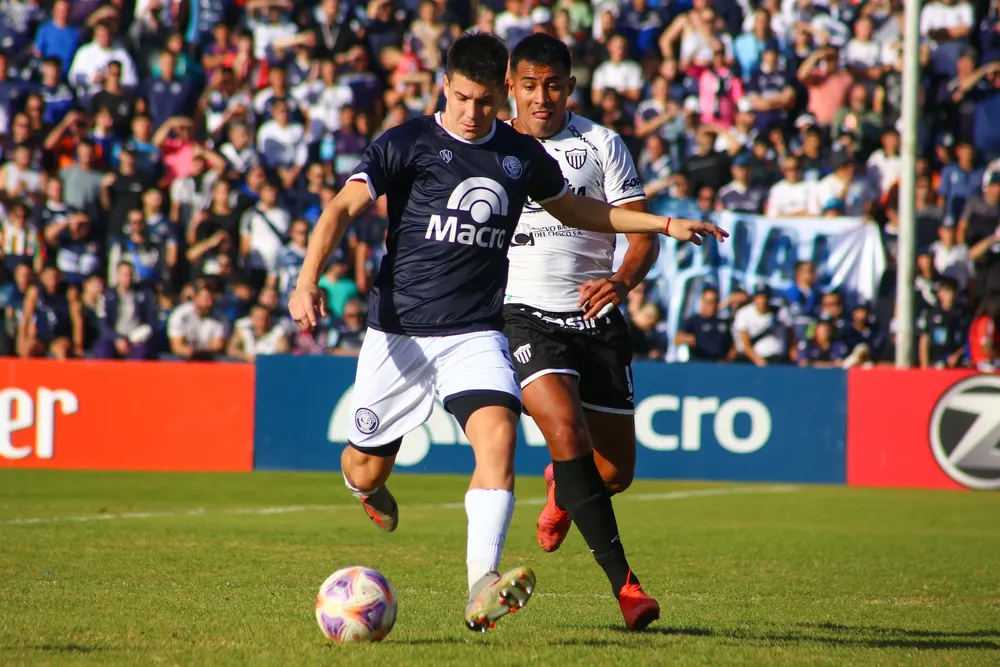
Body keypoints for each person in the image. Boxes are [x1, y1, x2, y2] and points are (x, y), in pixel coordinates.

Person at [288, 31, 725, 635]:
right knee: (365, 467)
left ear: (502, 98)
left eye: (486, 102)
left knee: (499, 436)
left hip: (476, 333)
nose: (473, 113)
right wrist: (307, 279)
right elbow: (339, 209)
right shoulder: (407, 142)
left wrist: (665, 223)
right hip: (401, 336)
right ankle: (367, 487)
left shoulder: (519, 155)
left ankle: (480, 584)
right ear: (445, 86)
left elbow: (580, 210)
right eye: (463, 98)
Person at [503, 33, 661, 631]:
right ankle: (627, 588)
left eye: (552, 86)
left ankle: (559, 487)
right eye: (528, 86)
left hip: (595, 317)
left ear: (569, 87)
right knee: (564, 428)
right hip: (520, 313)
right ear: (511, 87)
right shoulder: (491, 143)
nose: (540, 98)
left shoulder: (602, 144)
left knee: (614, 472)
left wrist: (620, 282)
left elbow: (639, 232)